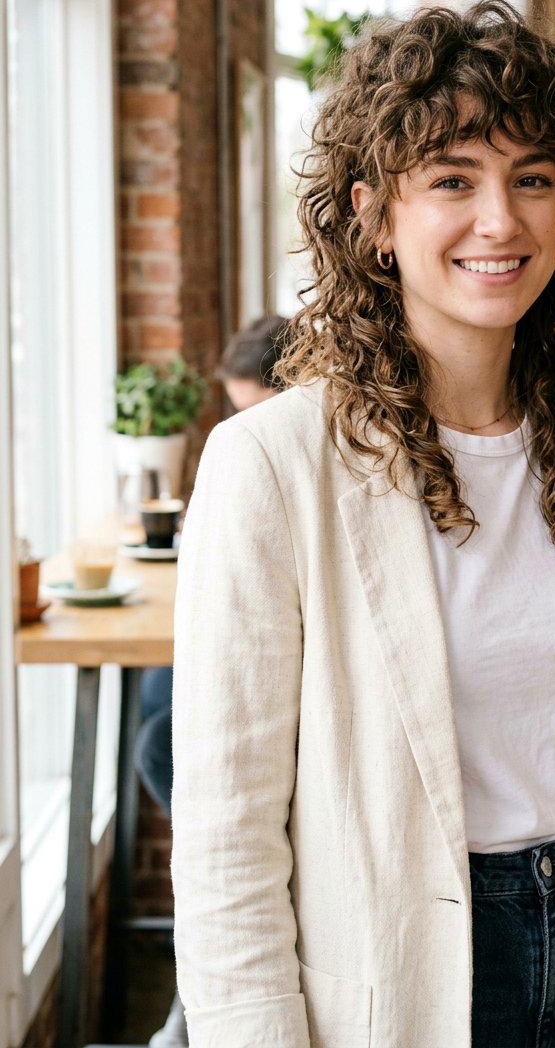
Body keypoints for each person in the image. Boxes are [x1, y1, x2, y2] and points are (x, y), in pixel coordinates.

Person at [172, 0, 555, 1048]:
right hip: (406, 972)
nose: (500, 220)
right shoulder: (271, 466)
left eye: (531, 178)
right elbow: (225, 839)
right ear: (373, 216)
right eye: (451, 180)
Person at [137, 313, 290, 1048]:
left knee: (163, 738)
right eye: (236, 414)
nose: (245, 431)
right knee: (159, 705)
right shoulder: (242, 458)